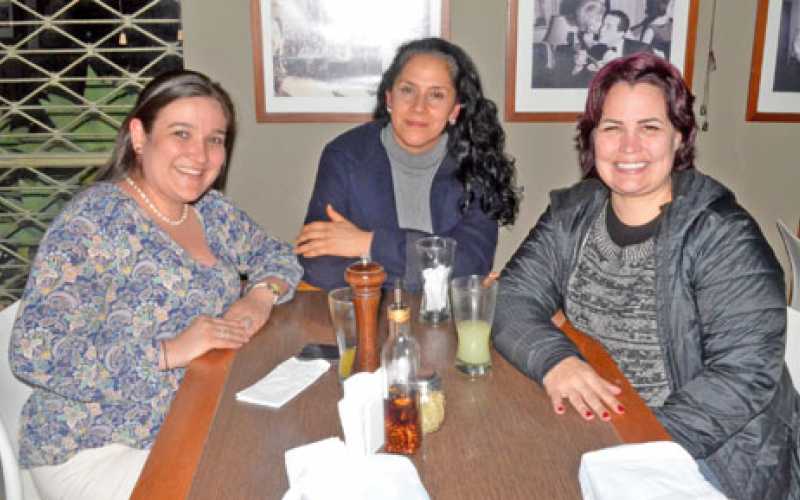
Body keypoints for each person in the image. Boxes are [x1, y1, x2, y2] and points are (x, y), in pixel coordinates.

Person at [493, 52, 799, 499]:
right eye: (612, 127)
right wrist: (557, 361)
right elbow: (512, 298)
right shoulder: (573, 213)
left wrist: (635, 446)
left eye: (649, 128)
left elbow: (742, 377)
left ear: (679, 137)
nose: (628, 147)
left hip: (712, 459)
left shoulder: (723, 235)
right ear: (591, 138)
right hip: (599, 429)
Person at [9, 70, 303, 500]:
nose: (199, 155)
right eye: (181, 133)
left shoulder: (208, 210)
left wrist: (261, 295)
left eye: (215, 139)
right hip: (96, 444)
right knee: (258, 481)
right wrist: (169, 351)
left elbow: (279, 255)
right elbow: (34, 352)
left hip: (189, 415)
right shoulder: (95, 222)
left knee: (293, 450)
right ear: (139, 136)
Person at [295, 37, 520, 290]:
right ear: (390, 98)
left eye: (436, 95)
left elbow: (470, 267)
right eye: (407, 90)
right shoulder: (343, 156)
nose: (418, 107)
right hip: (366, 321)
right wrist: (431, 267)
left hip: (447, 322)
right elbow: (318, 268)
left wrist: (367, 244)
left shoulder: (476, 163)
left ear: (455, 110)